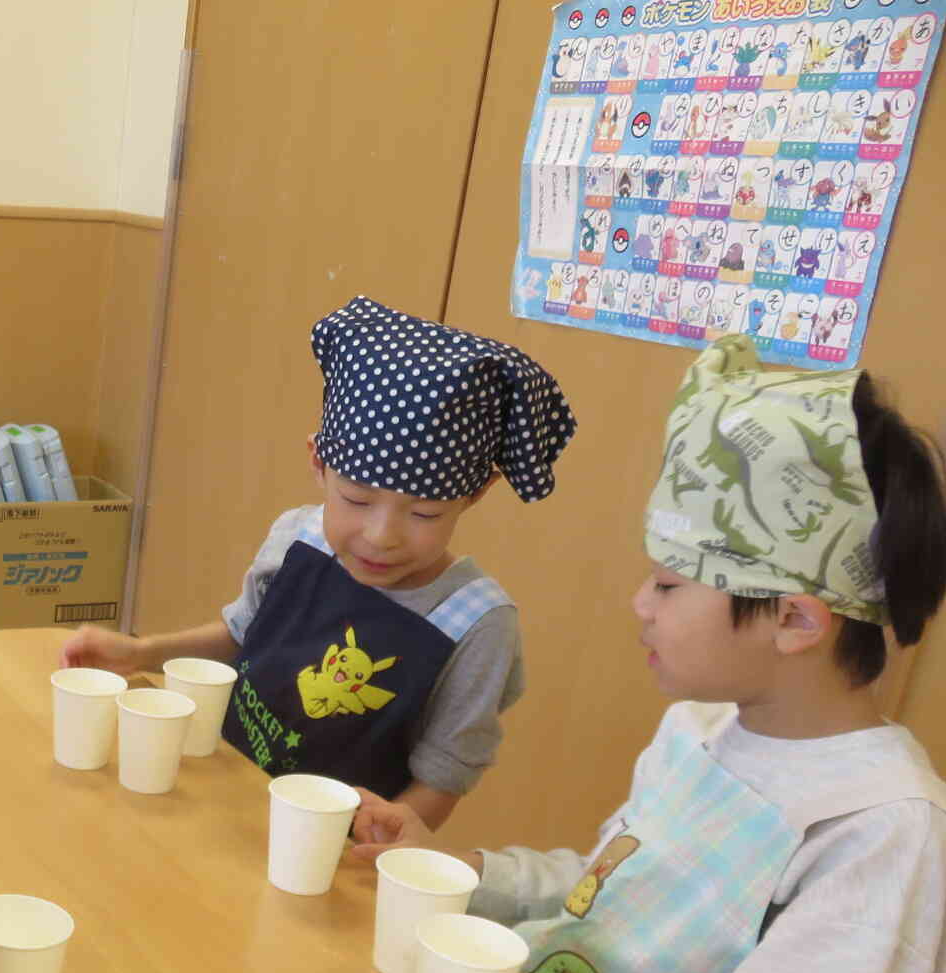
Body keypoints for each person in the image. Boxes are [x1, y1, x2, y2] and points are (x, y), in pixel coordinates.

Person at [355, 336, 946, 973]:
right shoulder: (701, 730)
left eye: (673, 585)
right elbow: (607, 888)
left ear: (795, 620)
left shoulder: (882, 836)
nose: (639, 603)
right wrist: (455, 868)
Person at [62, 296, 576, 831]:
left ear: (475, 495)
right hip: (215, 803)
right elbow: (243, 635)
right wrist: (142, 653)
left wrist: (387, 832)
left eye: (424, 513)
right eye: (356, 500)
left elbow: (444, 775)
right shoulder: (297, 538)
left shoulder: (477, 623)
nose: (382, 537)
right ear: (318, 463)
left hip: (327, 855)